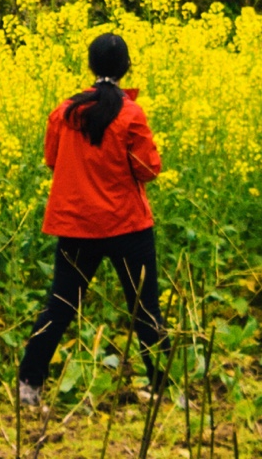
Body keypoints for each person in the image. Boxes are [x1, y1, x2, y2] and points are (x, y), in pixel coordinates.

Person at [16, 30, 167, 407]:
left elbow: (53, 161)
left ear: (90, 65)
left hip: (76, 226)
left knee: (60, 305)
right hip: (127, 225)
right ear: (126, 67)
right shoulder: (131, 114)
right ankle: (164, 388)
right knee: (145, 308)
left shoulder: (64, 112)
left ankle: (29, 386)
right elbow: (149, 169)